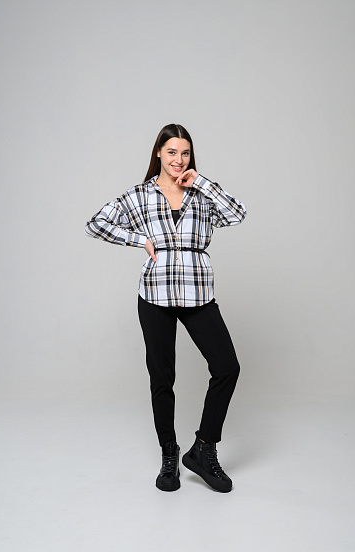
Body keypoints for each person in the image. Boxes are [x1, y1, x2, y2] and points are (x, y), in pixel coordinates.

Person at [85, 124, 246, 493]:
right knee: (162, 377)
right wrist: (138, 239)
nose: (179, 159)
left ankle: (203, 449)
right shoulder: (140, 195)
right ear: (158, 152)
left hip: (197, 293)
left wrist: (200, 181)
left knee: (227, 367)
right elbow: (96, 224)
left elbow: (237, 213)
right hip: (154, 294)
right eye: (172, 152)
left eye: (185, 153)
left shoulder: (202, 194)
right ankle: (169, 454)